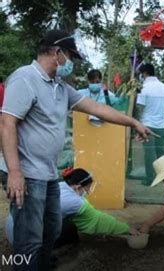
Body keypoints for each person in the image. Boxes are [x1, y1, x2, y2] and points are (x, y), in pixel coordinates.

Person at [1, 30, 150, 271]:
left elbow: (96, 108)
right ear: (57, 52)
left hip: (48, 173)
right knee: (29, 240)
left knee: (51, 231)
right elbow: (7, 123)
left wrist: (132, 122)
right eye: (70, 55)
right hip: (27, 173)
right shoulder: (25, 78)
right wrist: (15, 172)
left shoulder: (60, 87)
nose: (71, 62)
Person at [5, 168, 138, 247]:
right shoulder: (75, 202)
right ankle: (41, 256)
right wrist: (126, 229)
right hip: (24, 241)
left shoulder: (59, 186)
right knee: (70, 227)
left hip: (12, 226)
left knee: (64, 220)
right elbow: (98, 220)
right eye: (87, 188)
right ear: (78, 187)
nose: (89, 191)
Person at [136, 63, 164, 186]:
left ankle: (150, 178)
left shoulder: (143, 88)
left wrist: (137, 124)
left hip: (147, 125)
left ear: (144, 73)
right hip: (161, 125)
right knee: (162, 152)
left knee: (150, 153)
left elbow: (140, 107)